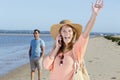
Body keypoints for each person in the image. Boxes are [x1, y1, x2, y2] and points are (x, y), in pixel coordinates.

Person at [43, 0, 104, 80]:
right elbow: (46, 65)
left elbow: (85, 33)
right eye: (64, 31)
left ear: (73, 33)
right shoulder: (56, 50)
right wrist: (57, 48)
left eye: (69, 31)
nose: (67, 33)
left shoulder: (76, 49)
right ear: (60, 34)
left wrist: (94, 15)